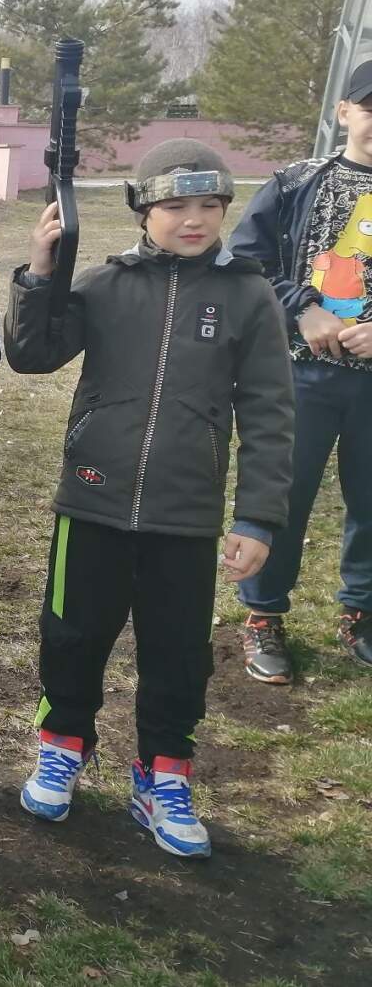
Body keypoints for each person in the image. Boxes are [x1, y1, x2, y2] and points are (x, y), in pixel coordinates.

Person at [6, 139, 294, 858]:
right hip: (93, 502)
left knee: (176, 655)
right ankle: (62, 744)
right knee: (72, 636)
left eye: (208, 206)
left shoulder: (248, 295)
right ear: (142, 209)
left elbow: (269, 411)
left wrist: (258, 516)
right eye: (174, 205)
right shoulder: (106, 285)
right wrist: (41, 272)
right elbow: (32, 353)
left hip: (187, 515)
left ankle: (163, 772)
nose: (192, 220)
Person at [226, 59, 372, 679]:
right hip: (298, 374)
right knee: (282, 495)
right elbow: (245, 257)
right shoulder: (297, 181)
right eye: (370, 105)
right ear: (343, 111)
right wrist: (304, 308)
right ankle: (263, 616)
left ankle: (361, 611)